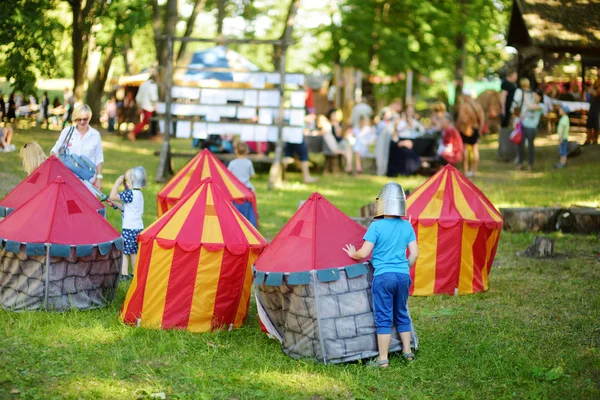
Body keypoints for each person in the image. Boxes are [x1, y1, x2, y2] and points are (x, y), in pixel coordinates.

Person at [343, 182, 418, 367]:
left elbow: (363, 252)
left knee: (384, 316)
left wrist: (353, 254)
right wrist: (402, 267)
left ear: (382, 203)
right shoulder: (407, 226)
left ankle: (383, 359)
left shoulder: (376, 226)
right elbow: (414, 255)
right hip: (403, 276)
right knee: (401, 313)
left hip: (383, 277)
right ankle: (407, 353)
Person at [50, 104, 105, 190]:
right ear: (75, 119)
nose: (82, 122)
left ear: (89, 118)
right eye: (79, 119)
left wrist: (99, 178)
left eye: (85, 119)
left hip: (88, 179)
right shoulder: (67, 132)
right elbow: (56, 148)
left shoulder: (95, 135)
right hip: (68, 177)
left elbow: (99, 158)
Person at [109, 166, 146, 281]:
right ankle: (134, 274)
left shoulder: (129, 194)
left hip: (129, 229)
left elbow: (112, 196)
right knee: (133, 251)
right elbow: (127, 209)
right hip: (138, 228)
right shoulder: (138, 194)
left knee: (124, 251)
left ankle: (124, 274)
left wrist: (117, 182)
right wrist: (115, 205)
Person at [456, 94, 485, 177]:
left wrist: (458, 127)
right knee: (475, 150)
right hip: (475, 128)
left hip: (466, 129)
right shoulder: (478, 106)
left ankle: (465, 171)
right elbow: (482, 119)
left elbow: (461, 118)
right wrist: (479, 131)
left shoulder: (463, 106)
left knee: (465, 150)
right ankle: (474, 171)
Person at [517, 92, 545, 171]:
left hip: (531, 128)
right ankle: (520, 163)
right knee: (520, 145)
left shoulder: (541, 106)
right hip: (524, 126)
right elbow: (523, 114)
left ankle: (530, 164)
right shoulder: (529, 103)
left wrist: (525, 98)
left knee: (530, 146)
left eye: (536, 95)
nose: (534, 97)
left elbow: (531, 107)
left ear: (540, 97)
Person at [129, 70, 159, 141]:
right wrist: (156, 106)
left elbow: (138, 97)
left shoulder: (144, 84)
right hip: (149, 106)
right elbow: (153, 97)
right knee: (148, 121)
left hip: (144, 105)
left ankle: (153, 136)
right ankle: (133, 133)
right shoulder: (152, 85)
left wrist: (139, 105)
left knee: (147, 121)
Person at [498, 70, 518, 161]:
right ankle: (505, 150)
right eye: (515, 75)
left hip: (512, 110)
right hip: (507, 111)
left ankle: (511, 150)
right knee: (505, 129)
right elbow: (503, 97)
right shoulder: (505, 84)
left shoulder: (512, 84)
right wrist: (503, 109)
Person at [584, 79, 600, 145]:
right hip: (592, 106)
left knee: (597, 125)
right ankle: (588, 140)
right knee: (589, 124)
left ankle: (594, 140)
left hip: (598, 107)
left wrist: (591, 90)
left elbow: (596, 93)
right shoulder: (596, 81)